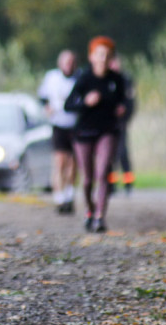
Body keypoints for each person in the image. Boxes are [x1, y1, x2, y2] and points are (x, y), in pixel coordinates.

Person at [64, 36, 126, 233]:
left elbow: (126, 102)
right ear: (91, 57)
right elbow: (68, 105)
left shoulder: (117, 80)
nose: (103, 58)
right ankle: (89, 211)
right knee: (88, 179)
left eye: (107, 55)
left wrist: (123, 109)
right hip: (84, 132)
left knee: (103, 174)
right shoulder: (84, 78)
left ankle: (100, 216)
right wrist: (85, 102)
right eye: (100, 54)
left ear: (111, 59)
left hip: (108, 131)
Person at [37, 50, 80, 214]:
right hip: (58, 123)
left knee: (73, 164)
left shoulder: (79, 78)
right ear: (60, 63)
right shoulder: (52, 78)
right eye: (66, 62)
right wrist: (46, 108)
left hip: (75, 124)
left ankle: (69, 194)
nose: (68, 65)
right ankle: (59, 197)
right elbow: (42, 97)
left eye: (71, 62)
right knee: (60, 162)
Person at [107, 54, 136, 195]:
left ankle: (128, 183)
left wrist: (125, 114)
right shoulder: (106, 80)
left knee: (122, 152)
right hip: (107, 123)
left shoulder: (126, 80)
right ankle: (111, 184)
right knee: (109, 154)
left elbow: (131, 101)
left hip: (121, 123)